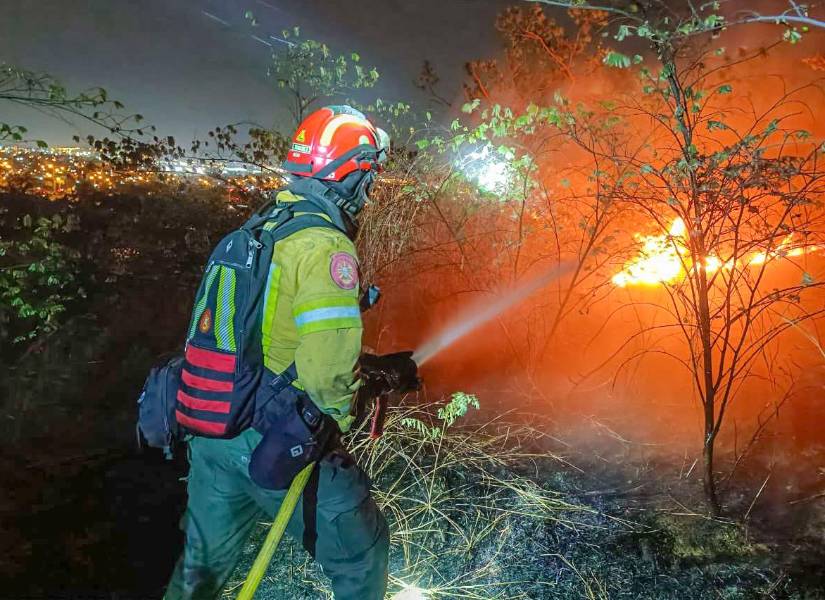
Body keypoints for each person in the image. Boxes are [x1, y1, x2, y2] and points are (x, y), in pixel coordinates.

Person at [165, 105, 409, 600]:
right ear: (354, 172)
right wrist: (358, 399)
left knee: (198, 576)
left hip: (210, 431)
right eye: (370, 175)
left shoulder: (260, 228)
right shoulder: (323, 243)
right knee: (363, 552)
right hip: (272, 438)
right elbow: (326, 380)